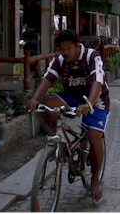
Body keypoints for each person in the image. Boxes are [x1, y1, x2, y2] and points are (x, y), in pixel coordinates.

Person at [26, 29, 110, 204]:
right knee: (48, 106)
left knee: (94, 136)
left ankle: (95, 180)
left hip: (95, 99)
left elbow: (98, 81)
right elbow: (48, 78)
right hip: (72, 97)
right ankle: (66, 144)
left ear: (77, 46)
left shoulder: (91, 56)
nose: (65, 52)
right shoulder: (60, 59)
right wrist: (35, 99)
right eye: (62, 49)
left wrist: (89, 104)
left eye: (69, 48)